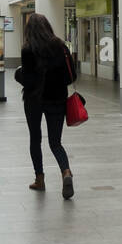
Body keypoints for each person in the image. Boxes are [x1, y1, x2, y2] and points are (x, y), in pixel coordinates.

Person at [16, 14, 78, 198]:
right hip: (57, 99)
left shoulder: (28, 49)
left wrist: (18, 75)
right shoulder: (60, 46)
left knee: (35, 139)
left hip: (34, 100)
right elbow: (71, 76)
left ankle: (40, 179)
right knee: (55, 142)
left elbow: (28, 79)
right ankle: (66, 172)